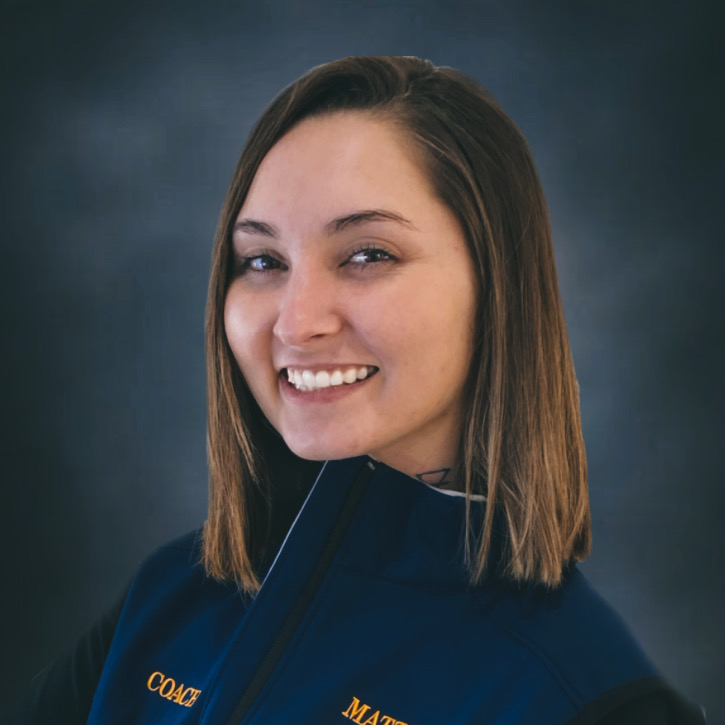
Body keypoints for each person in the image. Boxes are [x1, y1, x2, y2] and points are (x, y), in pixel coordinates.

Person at [11, 56, 705, 724]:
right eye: (262, 261)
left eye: (368, 254)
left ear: (498, 283)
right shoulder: (165, 604)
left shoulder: (591, 699)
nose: (295, 322)